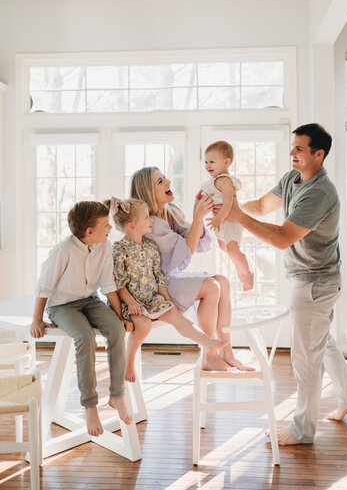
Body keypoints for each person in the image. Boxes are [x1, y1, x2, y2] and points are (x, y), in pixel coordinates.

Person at [225, 123, 347, 445]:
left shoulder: (320, 193)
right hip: (308, 279)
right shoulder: (292, 178)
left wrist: (237, 217)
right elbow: (260, 206)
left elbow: (284, 237)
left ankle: (302, 431)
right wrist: (228, 207)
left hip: (315, 284)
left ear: (319, 154)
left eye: (299, 149)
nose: (292, 153)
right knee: (323, 343)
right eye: (293, 147)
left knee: (305, 358)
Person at [130, 166, 254, 371]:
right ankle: (210, 355)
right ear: (147, 192)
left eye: (165, 178)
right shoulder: (151, 223)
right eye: (160, 182)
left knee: (223, 281)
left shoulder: (172, 213)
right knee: (212, 287)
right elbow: (184, 252)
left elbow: (200, 243)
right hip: (156, 285)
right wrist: (197, 217)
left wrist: (198, 211)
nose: (168, 182)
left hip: (170, 277)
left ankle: (227, 351)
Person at [30, 201, 133, 437]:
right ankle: (90, 405)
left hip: (89, 300)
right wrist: (37, 319)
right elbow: (44, 287)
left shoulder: (104, 247)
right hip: (62, 306)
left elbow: (108, 285)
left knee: (116, 330)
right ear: (89, 232)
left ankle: (117, 395)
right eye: (106, 225)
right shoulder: (63, 251)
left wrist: (119, 316)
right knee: (85, 337)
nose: (110, 229)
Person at [106, 196, 228, 382]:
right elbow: (117, 282)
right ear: (132, 226)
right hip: (131, 302)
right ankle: (128, 364)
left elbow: (159, 277)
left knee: (176, 317)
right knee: (144, 326)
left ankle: (207, 342)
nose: (152, 221)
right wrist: (130, 302)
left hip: (152, 298)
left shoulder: (150, 246)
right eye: (147, 217)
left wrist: (166, 299)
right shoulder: (119, 250)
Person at [201, 141, 253, 291]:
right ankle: (239, 265)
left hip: (230, 221)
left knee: (232, 248)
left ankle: (247, 273)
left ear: (226, 162)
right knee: (223, 246)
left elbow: (228, 202)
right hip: (222, 220)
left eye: (212, 162)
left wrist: (219, 218)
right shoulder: (215, 181)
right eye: (206, 162)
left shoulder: (225, 181)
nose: (207, 165)